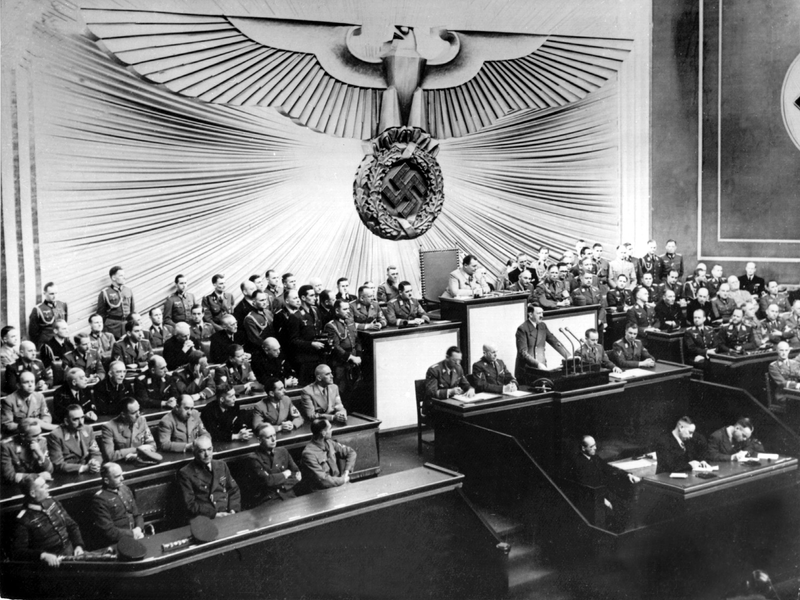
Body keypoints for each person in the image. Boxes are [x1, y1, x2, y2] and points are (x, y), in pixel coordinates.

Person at [13, 476, 84, 567]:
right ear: (33, 493)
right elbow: (19, 551)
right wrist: (42, 555)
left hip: (73, 554)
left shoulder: (52, 501)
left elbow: (72, 525)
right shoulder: (24, 519)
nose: (47, 486)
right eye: (42, 486)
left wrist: (79, 545)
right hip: (53, 565)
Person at [568, 435, 640, 515]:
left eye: (595, 445)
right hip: (593, 498)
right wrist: (602, 500)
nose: (595, 448)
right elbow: (586, 488)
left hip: (603, 492)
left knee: (626, 505)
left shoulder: (595, 457)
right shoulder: (577, 463)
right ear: (583, 448)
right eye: (592, 446)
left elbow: (609, 468)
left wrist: (627, 475)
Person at [178, 436, 241, 519]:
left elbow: (233, 490)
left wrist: (233, 510)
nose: (207, 454)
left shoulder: (221, 465)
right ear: (194, 452)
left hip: (228, 513)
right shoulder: (186, 473)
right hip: (207, 517)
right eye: (202, 451)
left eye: (209, 449)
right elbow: (190, 504)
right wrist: (214, 515)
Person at [245, 423, 302, 504]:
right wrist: (285, 475)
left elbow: (297, 474)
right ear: (259, 440)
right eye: (268, 437)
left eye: (274, 435)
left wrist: (277, 481)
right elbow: (267, 481)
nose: (273, 439)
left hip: (288, 495)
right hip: (269, 499)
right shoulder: (254, 459)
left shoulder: (283, 451)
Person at [91, 462, 145, 545]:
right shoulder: (100, 499)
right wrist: (132, 534)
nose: (122, 478)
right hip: (119, 542)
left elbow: (137, 515)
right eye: (117, 476)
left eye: (121, 475)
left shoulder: (125, 489)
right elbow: (109, 531)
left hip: (137, 535)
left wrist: (138, 529)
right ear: (106, 480)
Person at [514, 305, 570, 378]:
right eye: (539, 313)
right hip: (527, 370)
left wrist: (568, 356)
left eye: (542, 313)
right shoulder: (522, 329)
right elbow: (523, 353)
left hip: (541, 367)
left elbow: (554, 341)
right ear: (530, 314)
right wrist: (538, 364)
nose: (542, 316)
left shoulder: (542, 326)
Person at [301, 419, 357, 490]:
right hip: (321, 492)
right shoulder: (309, 454)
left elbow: (351, 452)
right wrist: (342, 480)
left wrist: (346, 472)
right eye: (330, 428)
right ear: (323, 433)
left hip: (337, 484)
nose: (332, 430)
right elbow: (323, 480)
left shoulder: (329, 443)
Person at [286, 285, 326, 385]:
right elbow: (293, 341)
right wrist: (311, 344)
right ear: (303, 298)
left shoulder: (316, 311)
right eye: (312, 295)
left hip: (318, 356)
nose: (315, 298)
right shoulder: (296, 316)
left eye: (315, 295)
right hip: (305, 360)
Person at [47, 405, 101, 475]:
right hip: (69, 474)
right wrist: (84, 468)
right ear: (66, 421)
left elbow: (96, 453)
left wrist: (95, 463)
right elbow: (58, 464)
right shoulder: (56, 435)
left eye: (82, 418)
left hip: (89, 469)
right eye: (76, 419)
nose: (81, 423)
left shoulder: (88, 429)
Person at [324, 300, 362, 399]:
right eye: (344, 309)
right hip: (340, 363)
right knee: (340, 389)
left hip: (354, 361)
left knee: (354, 388)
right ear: (337, 311)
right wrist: (351, 357)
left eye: (348, 308)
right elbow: (335, 347)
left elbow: (357, 340)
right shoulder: (331, 326)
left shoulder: (350, 322)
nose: (348, 311)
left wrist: (358, 355)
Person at [100, 397, 157, 463]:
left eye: (138, 410)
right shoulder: (109, 427)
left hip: (141, 460)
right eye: (134, 413)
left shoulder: (141, 420)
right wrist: (137, 449)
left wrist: (137, 455)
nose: (138, 415)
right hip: (121, 464)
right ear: (123, 415)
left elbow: (152, 445)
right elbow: (110, 456)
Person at [1, 419, 53, 486]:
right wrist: (37, 476)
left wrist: (40, 454)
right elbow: (9, 476)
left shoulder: (41, 441)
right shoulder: (7, 446)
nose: (39, 437)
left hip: (38, 484)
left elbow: (50, 470)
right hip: (18, 486)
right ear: (22, 436)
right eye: (35, 436)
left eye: (40, 433)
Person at [2, 371, 54, 435]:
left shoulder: (39, 396)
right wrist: (28, 427)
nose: (30, 385)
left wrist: (43, 423)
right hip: (19, 434)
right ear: (18, 385)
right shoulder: (9, 401)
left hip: (38, 431)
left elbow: (46, 416)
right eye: (26, 382)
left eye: (32, 382)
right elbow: (7, 425)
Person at [97, 266, 135, 340]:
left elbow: (132, 310)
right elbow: (101, 314)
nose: (124, 277)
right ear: (113, 278)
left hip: (127, 325)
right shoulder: (105, 293)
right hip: (112, 328)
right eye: (121, 275)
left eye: (124, 275)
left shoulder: (128, 290)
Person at [28, 282, 69, 349]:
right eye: (51, 294)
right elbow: (33, 333)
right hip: (46, 344)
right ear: (44, 294)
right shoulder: (38, 309)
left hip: (62, 342)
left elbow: (65, 324)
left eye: (56, 293)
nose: (54, 296)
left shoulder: (62, 305)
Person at [39, 320, 75, 386]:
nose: (67, 331)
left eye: (67, 328)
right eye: (64, 329)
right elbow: (46, 367)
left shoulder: (70, 345)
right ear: (55, 331)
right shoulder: (47, 347)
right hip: (56, 379)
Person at [768, 341, 800, 409]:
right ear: (777, 351)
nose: (784, 353)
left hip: (796, 392)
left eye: (786, 350)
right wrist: (797, 385)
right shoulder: (773, 366)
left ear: (789, 351)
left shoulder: (794, 363)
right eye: (781, 350)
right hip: (783, 394)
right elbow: (782, 383)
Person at [243, 290, 274, 355]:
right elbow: (256, 340)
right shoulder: (250, 318)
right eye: (262, 300)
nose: (265, 302)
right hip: (263, 351)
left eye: (265, 299)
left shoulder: (268, 312)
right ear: (253, 302)